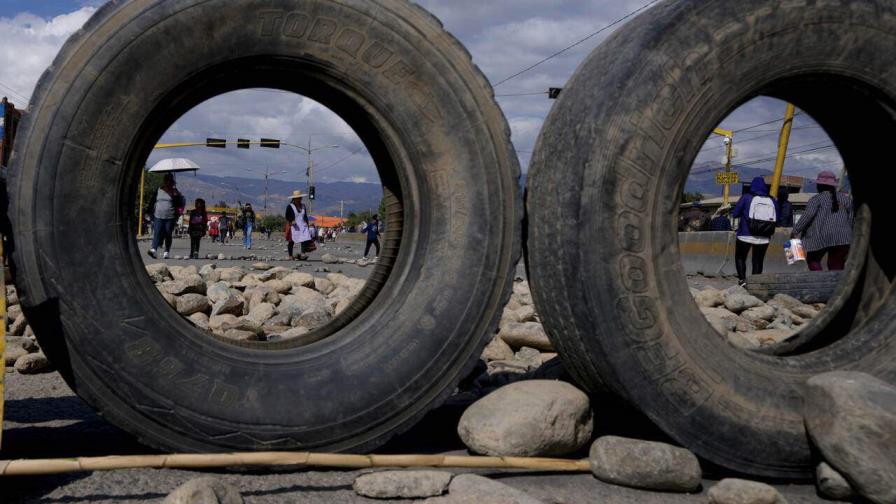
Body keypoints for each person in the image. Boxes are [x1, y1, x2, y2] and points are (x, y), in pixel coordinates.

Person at [792, 171, 853, 271]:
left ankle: (818, 282)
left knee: (813, 260)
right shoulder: (845, 199)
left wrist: (795, 231)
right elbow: (851, 220)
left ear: (819, 185)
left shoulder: (816, 199)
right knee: (835, 266)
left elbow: (807, 216)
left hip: (820, 237)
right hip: (844, 238)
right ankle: (833, 285)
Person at [731, 177, 778, 286]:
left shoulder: (746, 197)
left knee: (740, 257)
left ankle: (742, 280)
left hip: (745, 235)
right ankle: (755, 283)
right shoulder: (772, 200)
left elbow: (735, 214)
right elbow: (777, 218)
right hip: (764, 236)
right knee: (758, 260)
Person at [148, 173, 184, 259]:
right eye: (166, 181)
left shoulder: (174, 192)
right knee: (157, 232)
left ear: (172, 182)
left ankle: (166, 251)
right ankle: (154, 249)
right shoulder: (158, 190)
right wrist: (148, 211)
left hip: (170, 217)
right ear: (164, 181)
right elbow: (153, 201)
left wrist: (176, 196)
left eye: (170, 181)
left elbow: (179, 204)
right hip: (158, 216)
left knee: (168, 234)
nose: (168, 183)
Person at [285, 190, 313, 260]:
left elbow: (305, 216)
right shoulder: (290, 206)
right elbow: (287, 216)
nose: (299, 199)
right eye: (297, 198)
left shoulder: (303, 206)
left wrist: (307, 223)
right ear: (294, 199)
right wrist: (292, 220)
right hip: (294, 226)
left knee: (305, 239)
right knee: (291, 241)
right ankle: (290, 255)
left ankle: (302, 253)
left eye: (300, 198)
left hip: (303, 225)